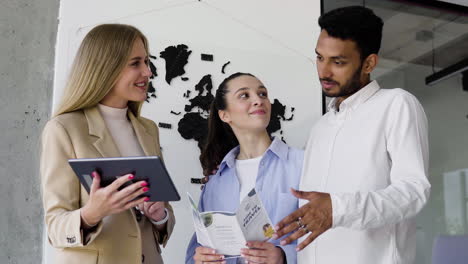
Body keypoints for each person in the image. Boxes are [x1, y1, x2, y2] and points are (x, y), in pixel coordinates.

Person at [273, 6, 430, 264]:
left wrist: (338, 209)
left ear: (369, 63)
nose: (324, 72)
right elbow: (314, 212)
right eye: (319, 57)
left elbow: (413, 192)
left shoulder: (396, 105)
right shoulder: (320, 128)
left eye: (338, 62)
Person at [40, 24, 175, 264]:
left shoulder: (148, 130)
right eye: (136, 63)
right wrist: (93, 213)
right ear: (106, 67)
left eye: (147, 61)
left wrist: (160, 216)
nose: (148, 72)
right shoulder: (64, 129)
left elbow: (162, 218)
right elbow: (54, 227)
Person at [185, 73, 304, 264]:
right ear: (225, 115)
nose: (258, 100)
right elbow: (195, 251)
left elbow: (328, 233)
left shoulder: (303, 164)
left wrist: (283, 256)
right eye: (244, 95)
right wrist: (200, 259)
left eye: (262, 94)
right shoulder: (215, 182)